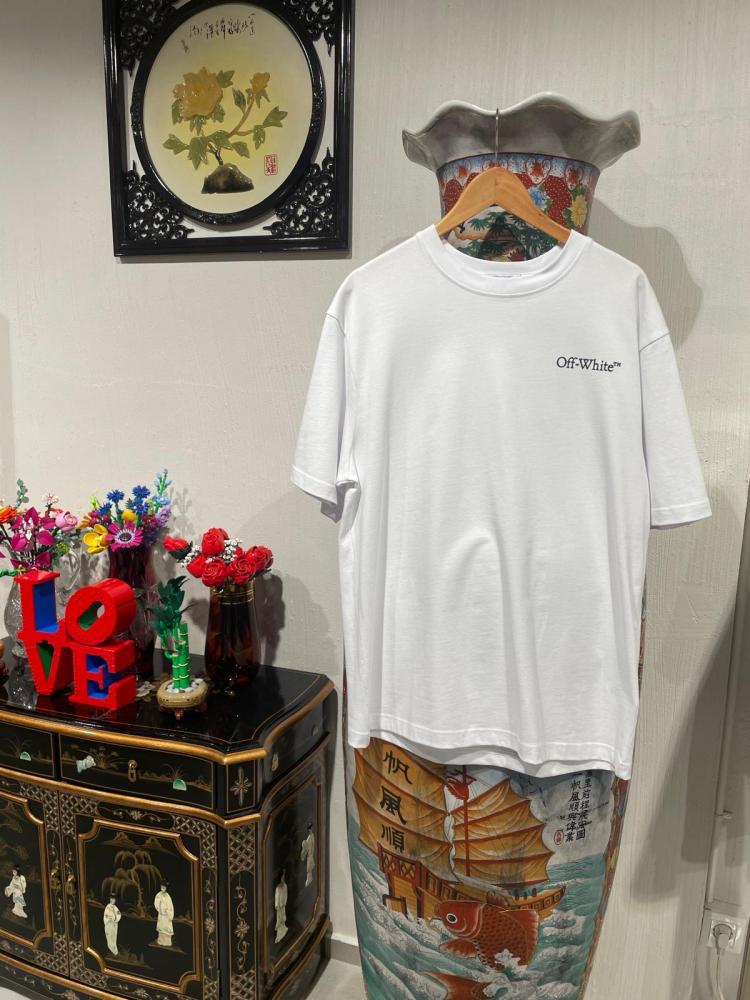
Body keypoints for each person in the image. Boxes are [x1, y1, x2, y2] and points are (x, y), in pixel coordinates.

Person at [154, 881, 174, 946]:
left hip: (166, 915)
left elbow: (170, 906)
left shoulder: (168, 896)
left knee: (166, 928)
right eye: (162, 887)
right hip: (161, 915)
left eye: (164, 887)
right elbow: (156, 902)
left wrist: (168, 912)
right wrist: (159, 909)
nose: (163, 889)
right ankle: (160, 941)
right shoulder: (158, 895)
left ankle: (167, 943)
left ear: (166, 888)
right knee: (161, 928)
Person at [274, 870, 288, 943]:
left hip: (282, 905)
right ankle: (279, 935)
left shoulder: (285, 886)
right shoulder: (278, 887)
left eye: (284, 877)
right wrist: (277, 905)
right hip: (279, 906)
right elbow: (277, 896)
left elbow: (285, 895)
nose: (283, 878)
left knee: (282, 917)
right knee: (279, 917)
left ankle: (282, 930)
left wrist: (284, 903)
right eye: (282, 877)